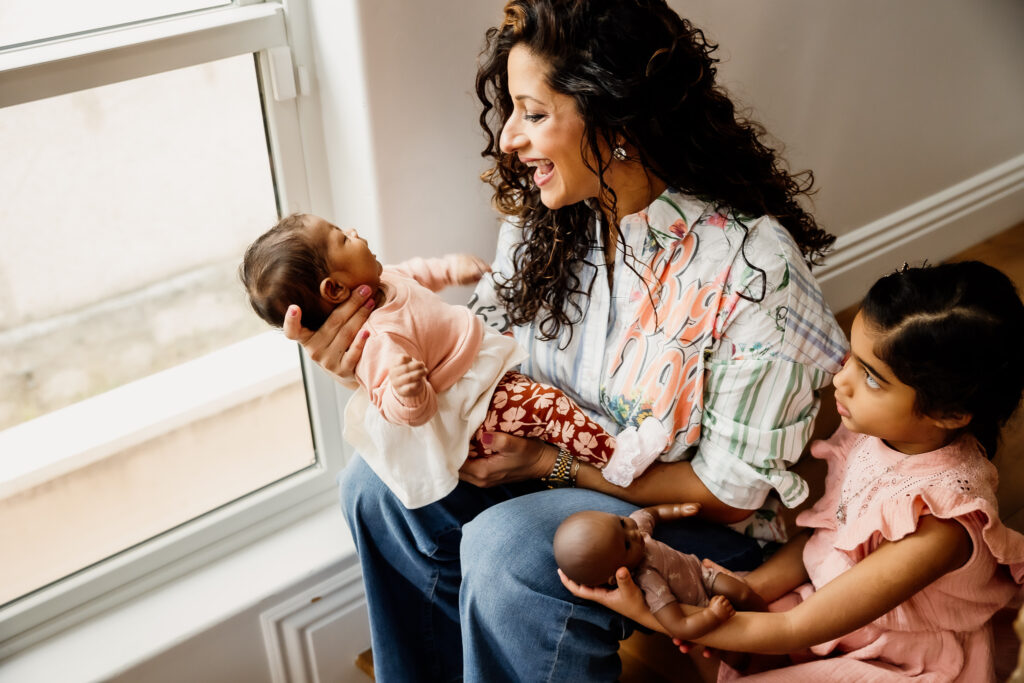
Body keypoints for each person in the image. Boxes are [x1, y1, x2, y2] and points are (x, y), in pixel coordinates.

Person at [283, 0, 848, 680]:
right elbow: (473, 365)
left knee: (508, 546)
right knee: (375, 484)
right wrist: (369, 371)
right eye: (512, 111)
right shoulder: (544, 225)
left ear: (615, 116)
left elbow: (731, 496)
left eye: (534, 112)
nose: (509, 141)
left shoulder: (752, 269)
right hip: (552, 480)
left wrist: (550, 466)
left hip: (695, 527)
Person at [564, 261, 1024, 682]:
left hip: (895, 658)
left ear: (949, 414)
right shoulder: (875, 433)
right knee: (715, 632)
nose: (840, 380)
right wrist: (750, 587)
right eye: (852, 358)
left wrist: (651, 616)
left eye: (871, 378)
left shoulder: (940, 527)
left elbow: (794, 626)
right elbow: (830, 533)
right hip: (832, 610)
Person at [240, 213, 664, 507]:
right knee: (550, 408)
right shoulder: (379, 339)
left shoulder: (381, 281)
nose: (355, 232)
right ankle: (618, 460)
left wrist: (450, 269)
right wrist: (408, 391)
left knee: (550, 409)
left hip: (483, 378)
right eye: (341, 238)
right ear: (334, 289)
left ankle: (602, 463)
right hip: (472, 406)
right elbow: (402, 409)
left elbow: (418, 273)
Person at [554, 502, 767, 642]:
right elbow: (679, 627)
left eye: (620, 522)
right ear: (616, 574)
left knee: (742, 592)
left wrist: (677, 510)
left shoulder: (639, 532)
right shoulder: (648, 581)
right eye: (627, 545)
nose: (633, 532)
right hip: (698, 606)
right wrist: (712, 615)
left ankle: (769, 614)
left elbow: (651, 513)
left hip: (703, 573)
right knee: (730, 647)